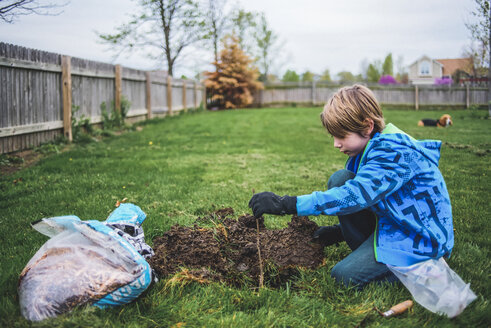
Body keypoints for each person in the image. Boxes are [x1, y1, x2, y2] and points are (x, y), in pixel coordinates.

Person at [248, 84, 454, 289]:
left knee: (344, 277)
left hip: (418, 238)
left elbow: (355, 196)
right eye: (333, 136)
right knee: (341, 178)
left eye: (341, 136)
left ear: (367, 126)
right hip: (395, 223)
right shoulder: (369, 148)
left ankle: (425, 266)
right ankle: (371, 252)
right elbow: (374, 198)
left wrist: (286, 204)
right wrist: (339, 232)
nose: (336, 144)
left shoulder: (393, 154)